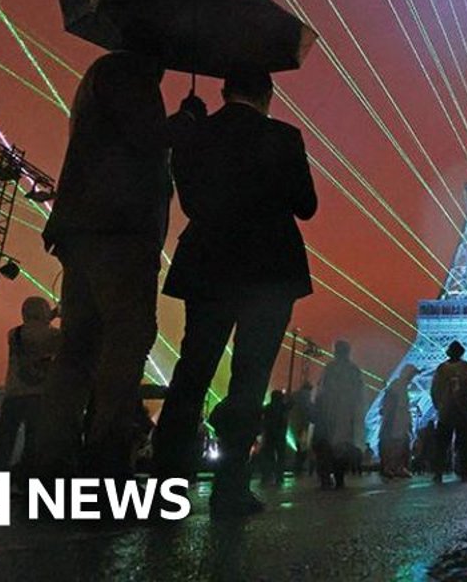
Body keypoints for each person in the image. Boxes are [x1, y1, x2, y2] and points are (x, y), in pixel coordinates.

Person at [153, 70, 317, 516]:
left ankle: (165, 483)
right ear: (268, 95)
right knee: (251, 377)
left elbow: (188, 201)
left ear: (224, 92)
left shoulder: (196, 135)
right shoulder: (283, 136)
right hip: (268, 269)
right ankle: (231, 488)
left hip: (209, 264)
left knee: (192, 371)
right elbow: (306, 204)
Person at [37, 50, 202, 478]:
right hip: (119, 230)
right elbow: (144, 138)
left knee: (79, 345)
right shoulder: (129, 73)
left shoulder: (101, 73)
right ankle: (105, 458)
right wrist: (185, 122)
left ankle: (48, 459)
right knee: (128, 339)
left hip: (86, 228)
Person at [0, 297, 61, 470]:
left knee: (3, 442)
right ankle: (26, 481)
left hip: (14, 395)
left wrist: (53, 314)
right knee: (33, 443)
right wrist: (58, 313)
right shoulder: (55, 335)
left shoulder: (14, 334)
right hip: (39, 396)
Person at [313, 340, 365, 489]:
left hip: (330, 413)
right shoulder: (354, 370)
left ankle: (325, 478)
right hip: (346, 414)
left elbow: (321, 390)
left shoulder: (330, 368)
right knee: (343, 447)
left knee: (327, 446)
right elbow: (359, 394)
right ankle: (339, 477)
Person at [430, 340, 467, 482]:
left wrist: (438, 406)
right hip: (463, 411)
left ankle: (438, 472)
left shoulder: (441, 369)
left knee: (441, 444)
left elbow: (434, 390)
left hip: (445, 411)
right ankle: (465, 472)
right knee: (464, 444)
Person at [379, 365, 419, 478]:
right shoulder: (398, 386)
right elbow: (392, 406)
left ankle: (396, 467)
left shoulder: (398, 386)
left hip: (398, 422)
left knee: (399, 446)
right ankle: (394, 467)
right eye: (412, 375)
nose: (413, 378)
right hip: (396, 422)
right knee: (396, 446)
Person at [258, 390, 290, 487]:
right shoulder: (283, 408)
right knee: (279, 457)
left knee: (269, 456)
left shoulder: (268, 408)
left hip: (270, 436)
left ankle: (267, 475)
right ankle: (278, 476)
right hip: (279, 436)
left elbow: (263, 421)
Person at [289, 380, 314, 475]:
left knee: (300, 446)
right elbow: (308, 410)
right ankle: (298, 467)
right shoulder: (306, 397)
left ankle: (297, 467)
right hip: (303, 425)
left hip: (294, 423)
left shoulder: (295, 395)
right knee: (303, 447)